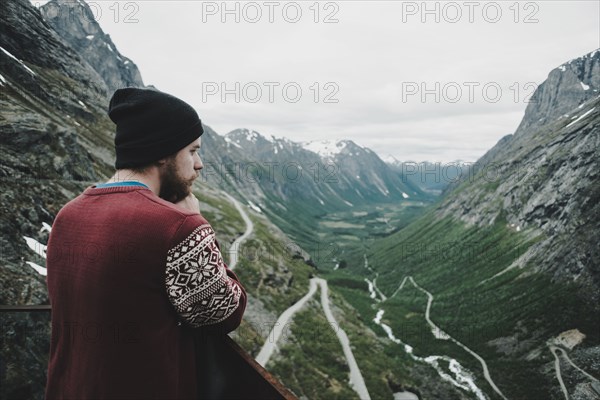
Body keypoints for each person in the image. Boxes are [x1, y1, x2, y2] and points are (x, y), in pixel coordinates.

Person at [44, 87, 247, 399]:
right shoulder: (179, 225)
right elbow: (224, 314)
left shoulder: (68, 215)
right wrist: (200, 226)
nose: (199, 164)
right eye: (192, 151)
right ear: (164, 152)